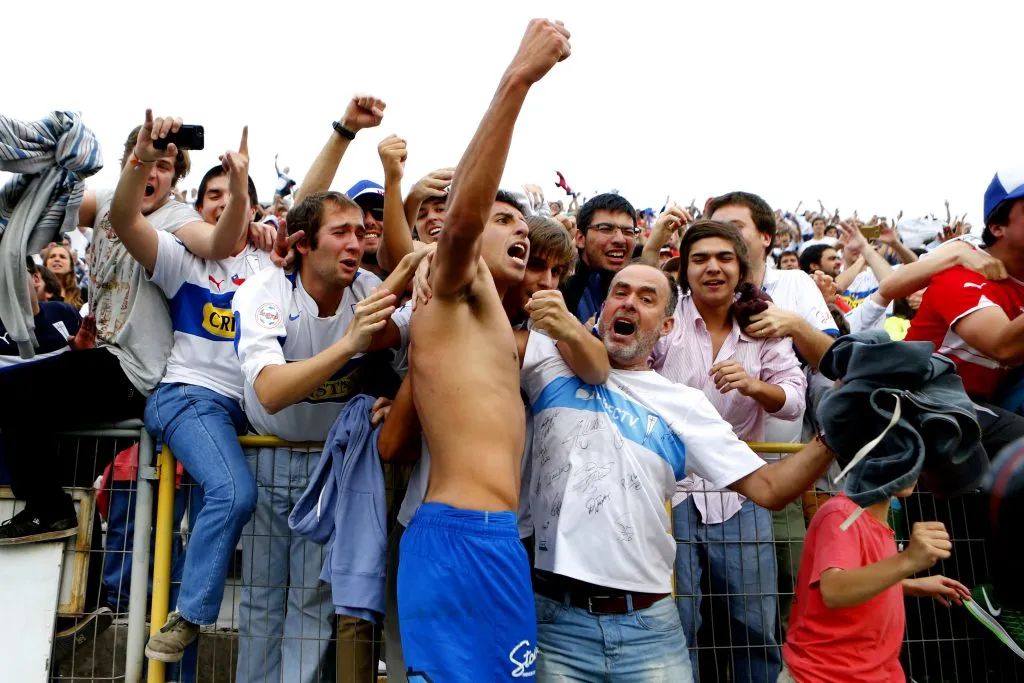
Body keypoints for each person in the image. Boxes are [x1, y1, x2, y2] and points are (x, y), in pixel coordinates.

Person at [521, 263, 835, 682]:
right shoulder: (547, 359)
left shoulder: (684, 404)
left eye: (647, 298)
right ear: (601, 308)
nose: (629, 302)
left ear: (667, 325)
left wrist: (835, 435)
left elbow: (770, 487)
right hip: (554, 624)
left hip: (649, 630)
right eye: (620, 292)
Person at [397, 19, 573, 682]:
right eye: (506, 220)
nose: (519, 232)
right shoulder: (453, 281)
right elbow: (463, 217)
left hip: (494, 538)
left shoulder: (496, 318)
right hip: (459, 535)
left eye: (525, 226)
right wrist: (516, 80)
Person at [0, 110, 253, 544]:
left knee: (11, 393)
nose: (153, 172)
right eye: (146, 161)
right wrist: (51, 154)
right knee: (71, 474)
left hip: (137, 372)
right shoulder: (109, 201)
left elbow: (220, 242)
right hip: (102, 360)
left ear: (175, 180)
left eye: (165, 166)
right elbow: (39, 203)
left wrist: (242, 191)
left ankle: (48, 509)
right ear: (127, 163)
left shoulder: (174, 218)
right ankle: (89, 580)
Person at [232, 186, 426, 683]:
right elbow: (272, 393)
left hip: (333, 465)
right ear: (300, 243)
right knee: (260, 597)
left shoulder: (366, 289)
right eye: (340, 232)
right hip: (267, 454)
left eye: (360, 233)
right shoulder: (263, 291)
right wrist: (350, 345)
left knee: (314, 601)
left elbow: (417, 343)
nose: (355, 244)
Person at [101, 120, 272, 663]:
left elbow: (316, 207)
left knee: (198, 550)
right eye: (214, 195)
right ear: (197, 206)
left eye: (236, 194)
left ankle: (179, 653)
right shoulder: (181, 256)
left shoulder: (270, 267)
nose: (225, 203)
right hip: (188, 399)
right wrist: (141, 159)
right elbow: (124, 218)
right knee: (234, 494)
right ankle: (194, 617)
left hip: (244, 415)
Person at [652, 221, 806, 682]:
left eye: (724, 258)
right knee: (678, 623)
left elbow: (796, 395)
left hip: (740, 495)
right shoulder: (664, 317)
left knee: (755, 623)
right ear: (683, 269)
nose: (712, 268)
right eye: (699, 258)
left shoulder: (764, 327)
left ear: (741, 269)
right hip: (665, 493)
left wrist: (756, 386)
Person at [781, 483, 969, 683]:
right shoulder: (840, 514)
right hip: (824, 676)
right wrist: (908, 560)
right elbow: (833, 589)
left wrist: (910, 585)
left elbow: (857, 576)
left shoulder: (872, 517)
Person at [561, 192, 642, 323]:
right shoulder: (562, 294)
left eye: (628, 232)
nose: (620, 239)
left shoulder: (641, 295)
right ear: (580, 238)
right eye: (606, 229)